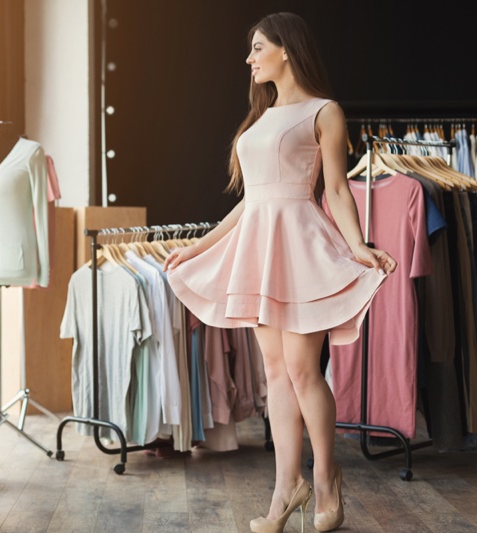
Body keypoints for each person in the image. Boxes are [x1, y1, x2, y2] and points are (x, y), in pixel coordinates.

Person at [163, 12, 397, 533]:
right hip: (260, 249)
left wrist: (358, 245)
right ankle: (285, 491)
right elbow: (250, 202)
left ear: (286, 50)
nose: (249, 59)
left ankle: (328, 479)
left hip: (302, 247)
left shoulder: (325, 111)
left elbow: (336, 188)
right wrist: (197, 246)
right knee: (275, 374)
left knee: (302, 369)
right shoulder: (261, 117)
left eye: (257, 48)